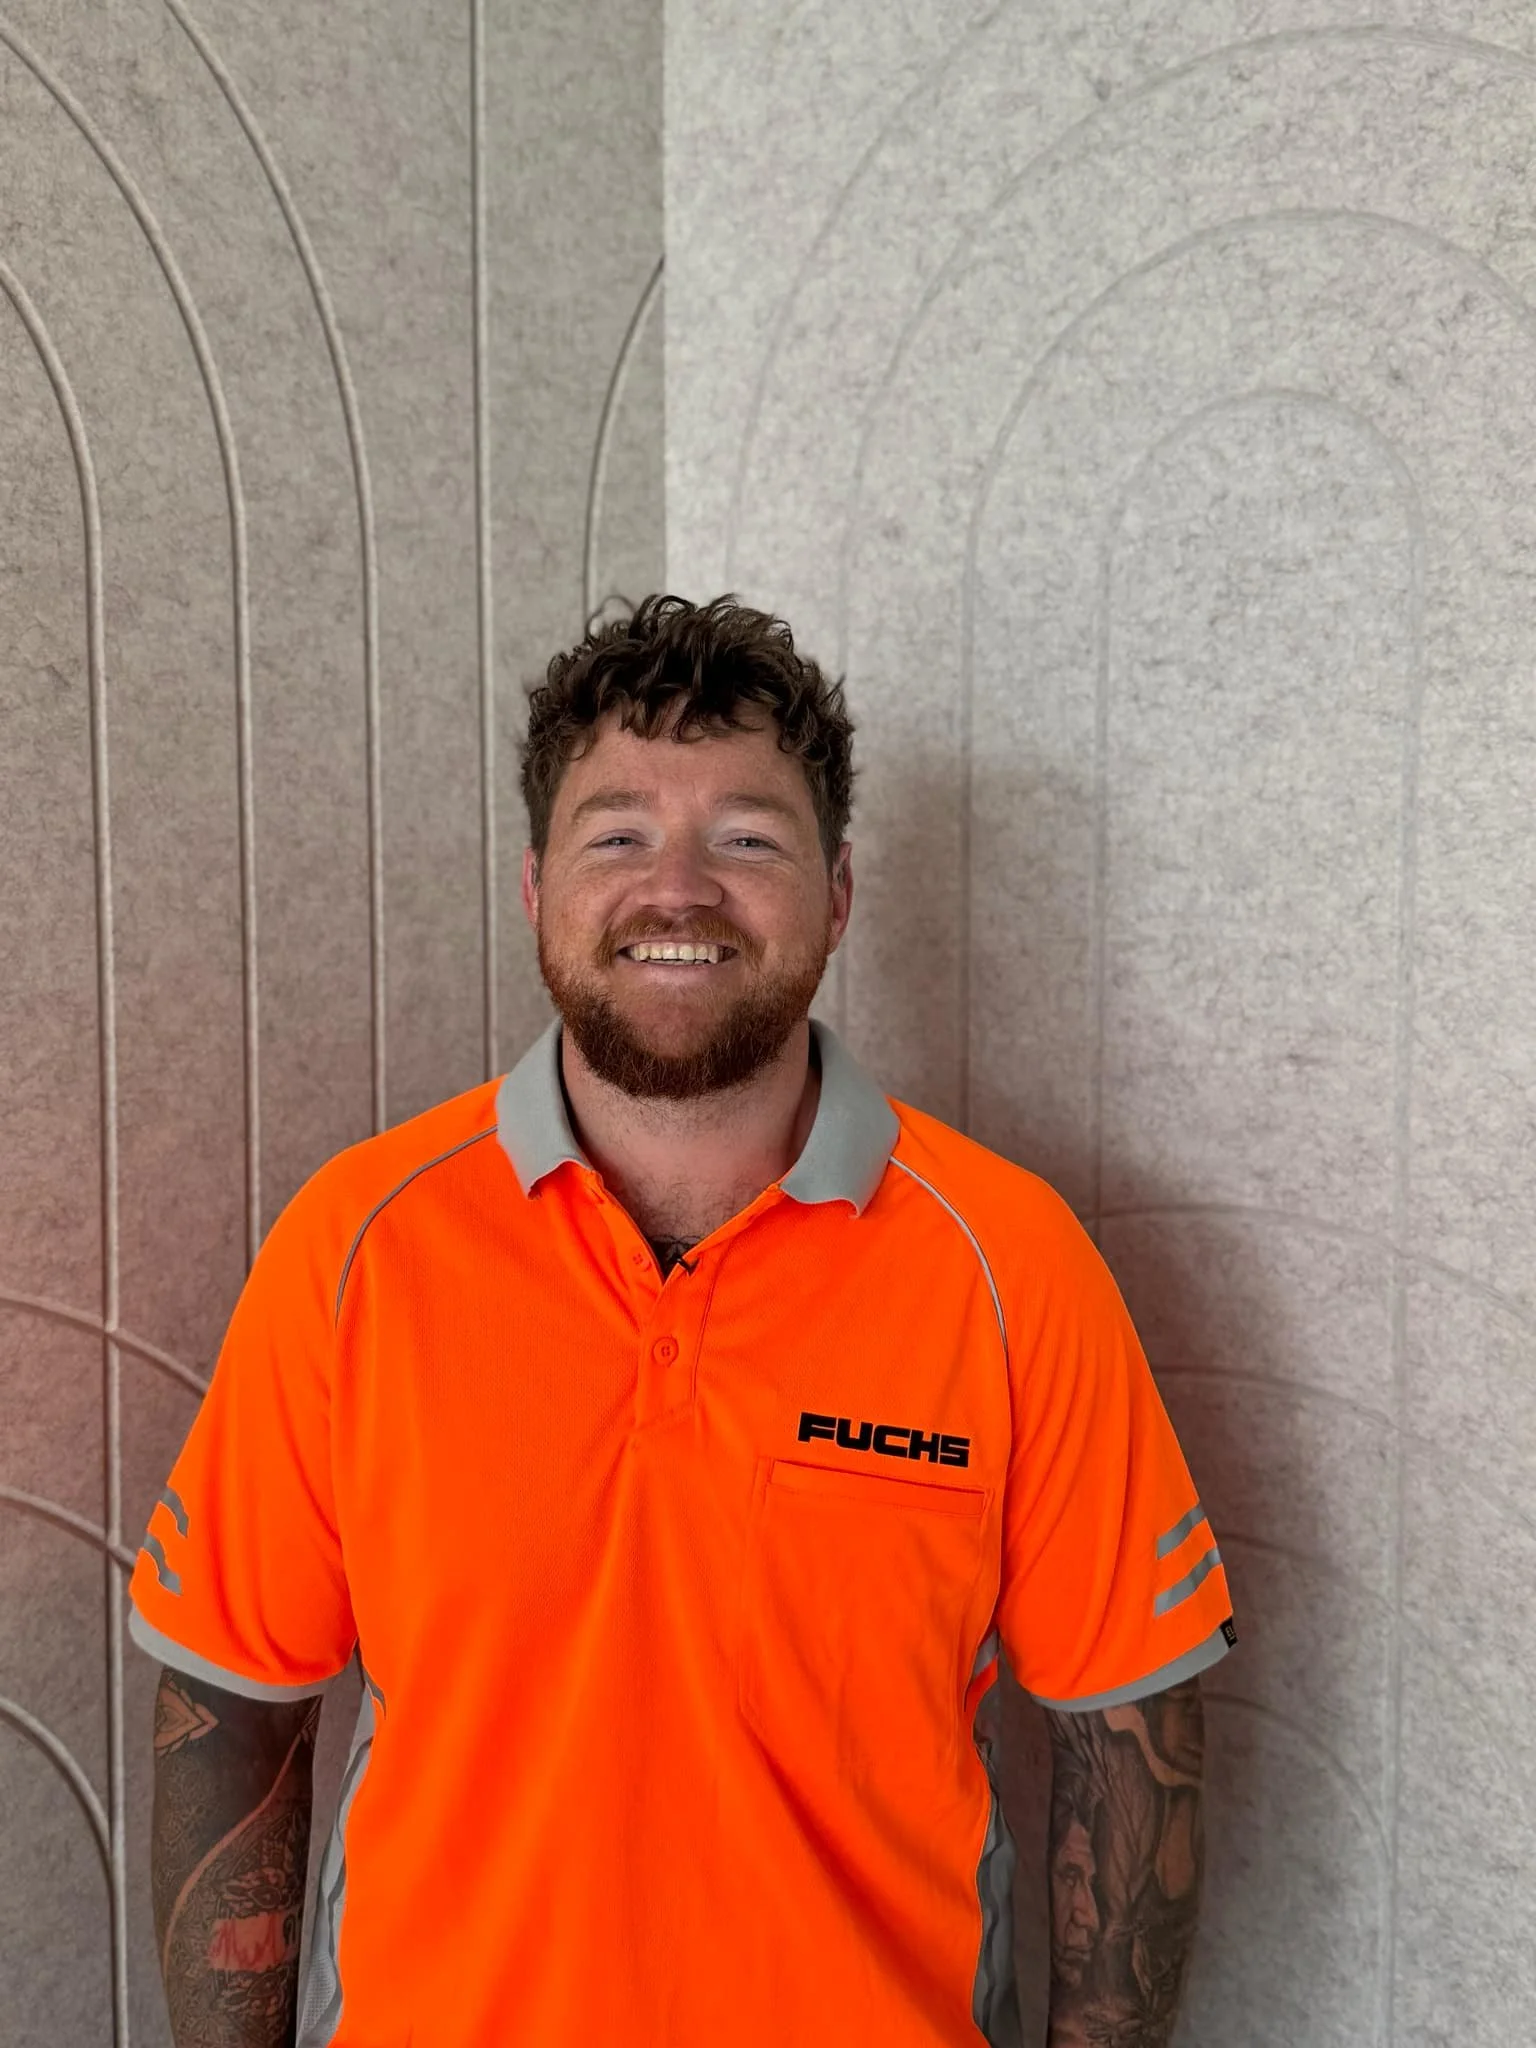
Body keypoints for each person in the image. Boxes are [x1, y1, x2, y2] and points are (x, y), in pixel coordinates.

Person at [131, 592, 1236, 2048]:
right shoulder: (358, 1245)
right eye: (618, 834)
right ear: (537, 888)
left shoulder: (1009, 1263)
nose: (680, 888)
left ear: (838, 893)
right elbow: (230, 1720)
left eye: (749, 837)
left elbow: (1127, 1741)